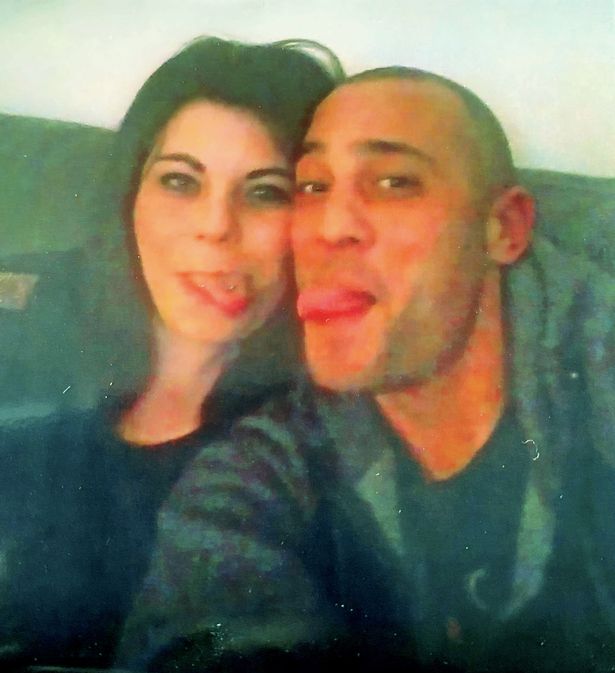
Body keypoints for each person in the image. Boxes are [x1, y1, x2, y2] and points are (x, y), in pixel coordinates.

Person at [118, 67, 615, 672]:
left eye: (394, 182)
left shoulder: (596, 368)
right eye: (310, 187)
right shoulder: (258, 471)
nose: (328, 228)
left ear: (504, 228)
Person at [0, 36, 340, 669]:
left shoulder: (303, 458)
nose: (216, 226)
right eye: (181, 181)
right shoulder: (33, 332)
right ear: (131, 197)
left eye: (266, 192)